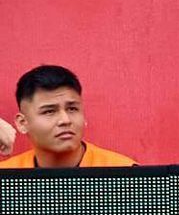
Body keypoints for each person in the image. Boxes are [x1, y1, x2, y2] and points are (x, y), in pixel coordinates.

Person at [1, 64, 134, 168]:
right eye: (49, 111)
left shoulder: (125, 174)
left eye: (72, 109)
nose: (65, 120)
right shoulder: (7, 176)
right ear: (22, 123)